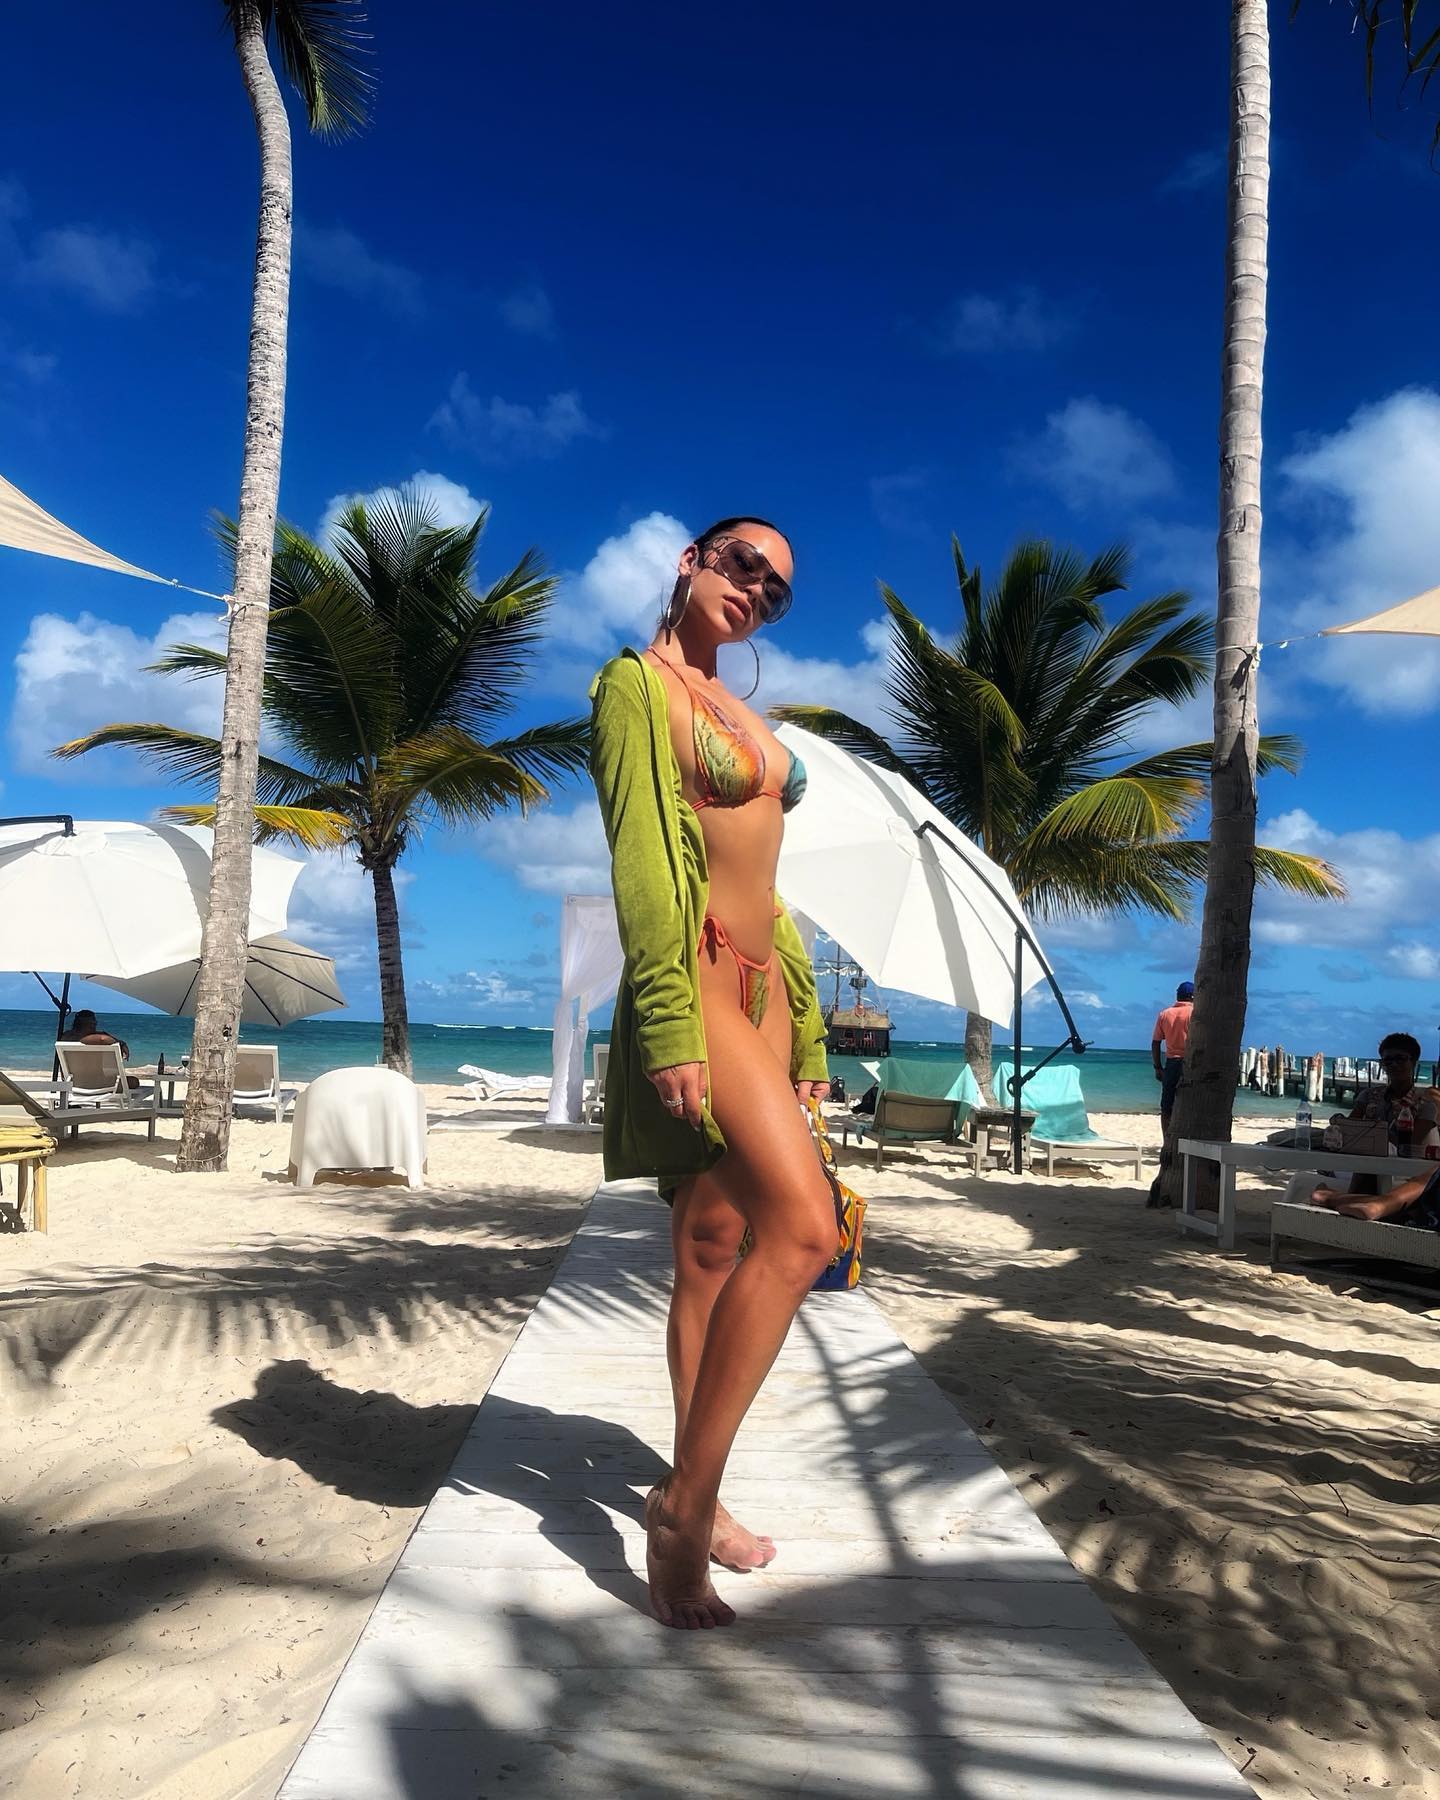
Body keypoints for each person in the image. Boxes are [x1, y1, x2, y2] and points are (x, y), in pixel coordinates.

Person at [590, 515, 834, 1630]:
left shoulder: (745, 713)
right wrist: (668, 1021)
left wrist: (810, 1032)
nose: (755, 592)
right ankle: (683, 1515)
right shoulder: (635, 686)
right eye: (742, 565)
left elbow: (772, 889)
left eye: (775, 591)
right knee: (806, 1230)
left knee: (712, 1245)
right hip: (697, 978)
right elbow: (644, 856)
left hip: (767, 986)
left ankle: (702, 1487)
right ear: (691, 559)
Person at [1330, 1030, 1439, 1194]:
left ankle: (1346, 1203)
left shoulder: (1425, 1104)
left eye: (1400, 1059)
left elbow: (1410, 1146)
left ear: (1413, 1062)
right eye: (1388, 1060)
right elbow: (1349, 1130)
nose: (1393, 1065)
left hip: (1403, 1171)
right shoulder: (1369, 1096)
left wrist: (1375, 1137)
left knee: (1370, 1162)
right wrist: (1339, 1124)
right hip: (1364, 1165)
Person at [1151, 980, 1194, 1134]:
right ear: (1193, 996)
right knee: (1191, 1103)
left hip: (1172, 1062)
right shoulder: (1195, 1014)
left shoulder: (1165, 1014)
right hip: (1191, 1063)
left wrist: (1157, 1067)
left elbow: (1156, 1042)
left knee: (1167, 1106)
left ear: (1178, 995)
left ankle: (1167, 1140)